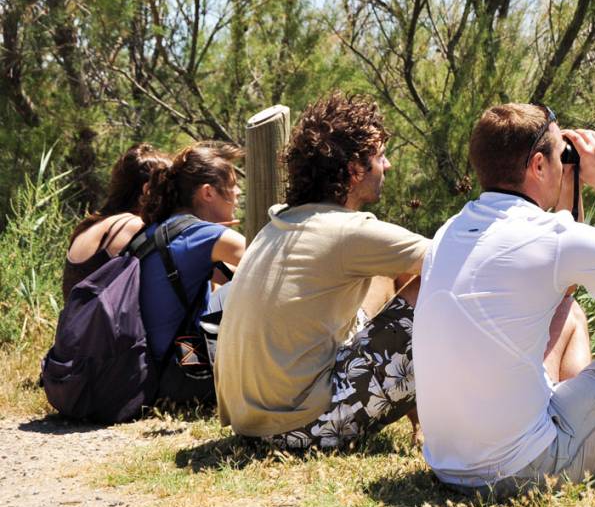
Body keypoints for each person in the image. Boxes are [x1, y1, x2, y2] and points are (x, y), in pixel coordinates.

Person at [413, 103, 595, 495]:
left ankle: (588, 441)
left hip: (448, 465)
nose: (565, 164)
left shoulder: (449, 230)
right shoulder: (554, 240)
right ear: (539, 166)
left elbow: (565, 284)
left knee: (569, 311)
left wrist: (569, 183)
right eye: (561, 156)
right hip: (519, 471)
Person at [215, 92, 430, 449]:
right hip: (301, 427)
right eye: (380, 156)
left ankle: (422, 423)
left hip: (248, 422)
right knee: (431, 288)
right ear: (355, 169)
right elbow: (457, 262)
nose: (387, 166)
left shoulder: (279, 223)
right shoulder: (349, 232)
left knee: (383, 272)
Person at [139, 141, 247, 401]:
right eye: (232, 185)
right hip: (180, 377)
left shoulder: (160, 230)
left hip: (151, 371)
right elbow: (271, 265)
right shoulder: (202, 235)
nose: (239, 192)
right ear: (208, 193)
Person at [62, 143, 171, 302]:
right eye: (166, 187)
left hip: (74, 326)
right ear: (147, 189)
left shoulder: (93, 223)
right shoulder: (132, 226)